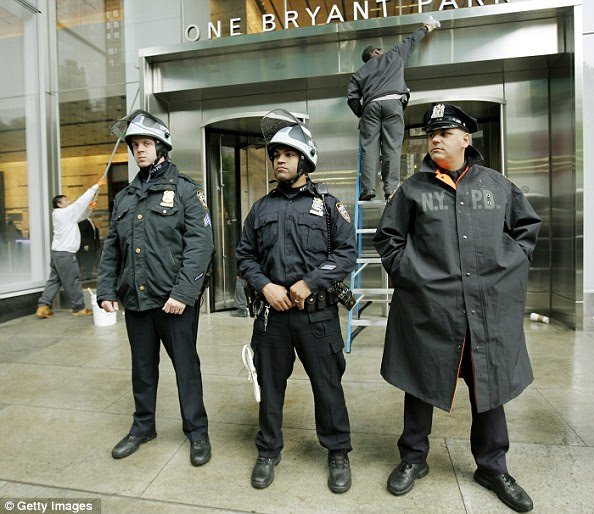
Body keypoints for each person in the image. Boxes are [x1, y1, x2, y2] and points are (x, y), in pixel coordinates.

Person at [373, 103, 541, 512]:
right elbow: (388, 240)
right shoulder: (413, 189)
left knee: (490, 389)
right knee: (419, 384)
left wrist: (507, 271)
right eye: (431, 134)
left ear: (467, 139)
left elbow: (526, 230)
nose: (435, 139)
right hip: (431, 312)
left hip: (486, 313)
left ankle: (492, 466)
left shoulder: (498, 186)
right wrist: (414, 275)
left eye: (445, 133)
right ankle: (413, 459)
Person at [236, 110, 356, 493]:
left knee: (327, 386)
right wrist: (264, 286)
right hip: (273, 318)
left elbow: (347, 252)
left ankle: (337, 451)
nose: (279, 161)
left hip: (317, 317)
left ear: (305, 158)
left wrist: (311, 282)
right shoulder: (261, 209)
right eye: (275, 155)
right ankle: (268, 450)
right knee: (271, 389)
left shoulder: (328, 205)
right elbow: (245, 256)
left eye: (287, 154)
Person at [97, 110, 214, 467]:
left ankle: (197, 431)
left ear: (162, 146)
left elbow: (200, 246)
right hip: (137, 302)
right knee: (142, 369)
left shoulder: (186, 190)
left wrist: (182, 294)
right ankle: (142, 426)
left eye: (145, 143)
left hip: (173, 303)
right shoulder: (126, 197)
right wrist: (106, 290)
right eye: (134, 145)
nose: (139, 150)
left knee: (185, 368)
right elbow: (112, 248)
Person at [347, 16, 440, 201]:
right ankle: (391, 190)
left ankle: (368, 189)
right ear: (376, 52)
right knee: (391, 148)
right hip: (392, 103)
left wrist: (361, 113)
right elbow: (411, 40)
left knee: (369, 149)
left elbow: (352, 98)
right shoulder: (393, 55)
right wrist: (427, 27)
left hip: (370, 107)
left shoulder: (359, 73)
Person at [35, 179, 106, 318]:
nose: (69, 202)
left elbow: (81, 216)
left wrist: (89, 209)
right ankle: (78, 308)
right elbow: (80, 203)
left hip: (58, 254)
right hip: (65, 254)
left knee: (54, 280)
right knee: (73, 280)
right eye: (66, 201)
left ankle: (43, 306)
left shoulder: (63, 215)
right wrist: (95, 186)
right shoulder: (63, 213)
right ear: (59, 205)